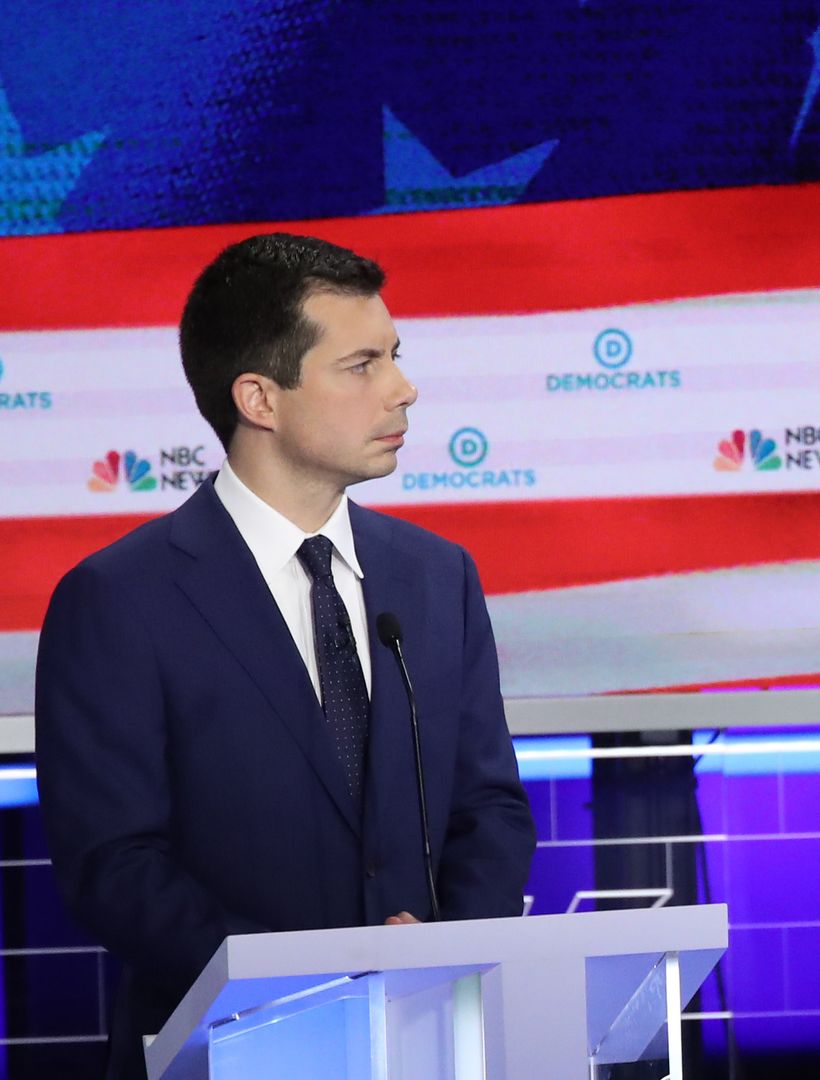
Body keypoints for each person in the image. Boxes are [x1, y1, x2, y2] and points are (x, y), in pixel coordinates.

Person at [34, 234, 535, 1078]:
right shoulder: (120, 598)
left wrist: (449, 953)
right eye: (363, 364)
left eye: (396, 357)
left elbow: (488, 807)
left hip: (427, 1042)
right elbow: (114, 866)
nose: (404, 390)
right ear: (260, 398)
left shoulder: (435, 576)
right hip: (226, 1050)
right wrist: (315, 984)